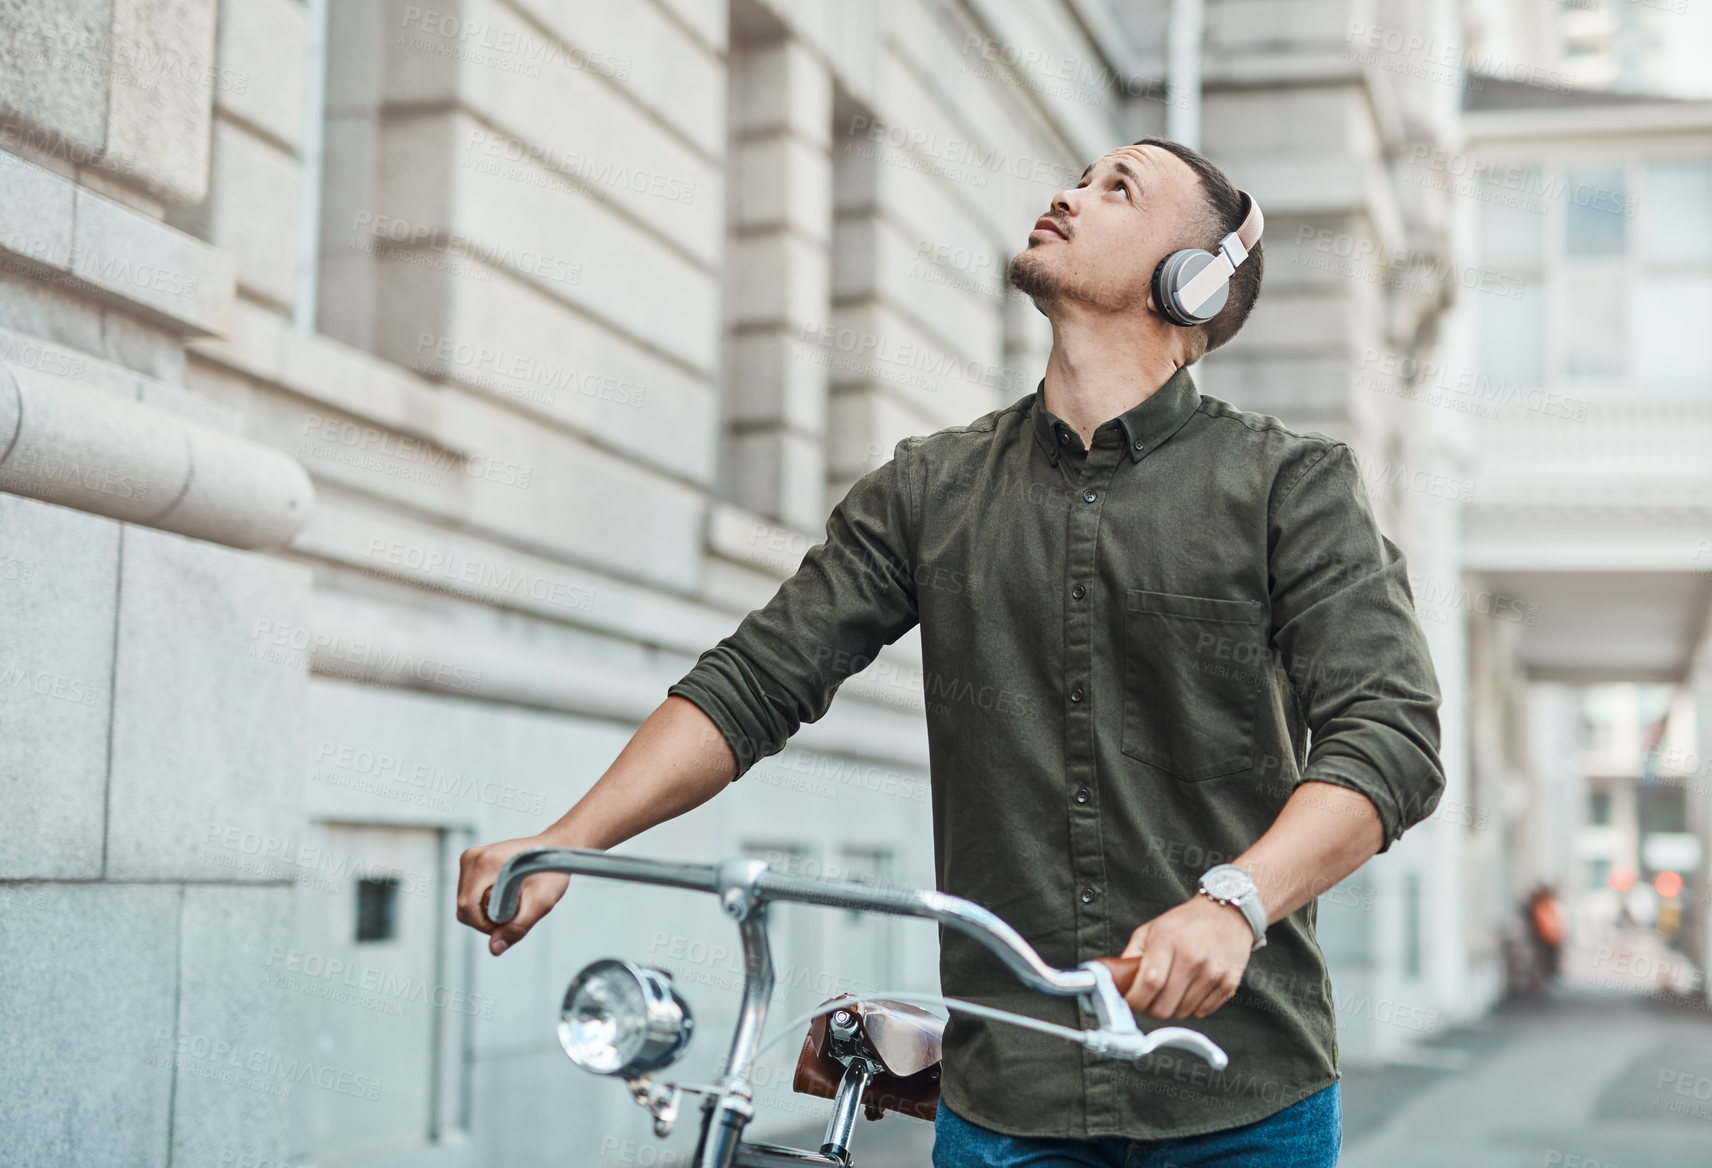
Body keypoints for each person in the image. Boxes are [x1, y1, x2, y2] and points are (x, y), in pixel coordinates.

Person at [456, 139, 1445, 1167]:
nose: (1066, 193)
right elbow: (756, 679)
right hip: (1004, 1105)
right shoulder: (930, 487)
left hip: (1238, 1097)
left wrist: (1233, 902)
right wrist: (563, 838)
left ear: (1189, 283)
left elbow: (1390, 736)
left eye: (1118, 189)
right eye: (1079, 175)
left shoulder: (1290, 484)